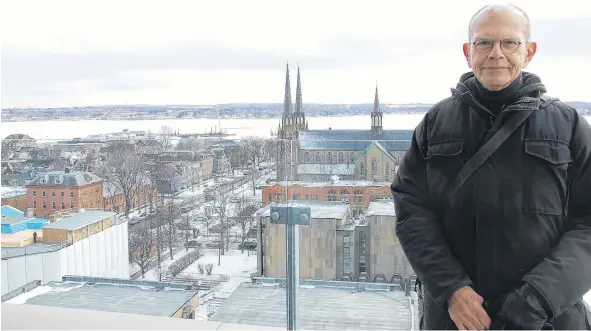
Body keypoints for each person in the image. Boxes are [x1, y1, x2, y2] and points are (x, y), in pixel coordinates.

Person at [391, 4, 591, 330]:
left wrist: (537, 299)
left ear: (529, 52)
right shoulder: (435, 124)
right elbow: (412, 211)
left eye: (509, 43)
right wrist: (452, 290)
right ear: (468, 52)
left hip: (548, 320)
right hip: (455, 319)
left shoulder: (568, 126)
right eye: (484, 43)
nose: (496, 53)